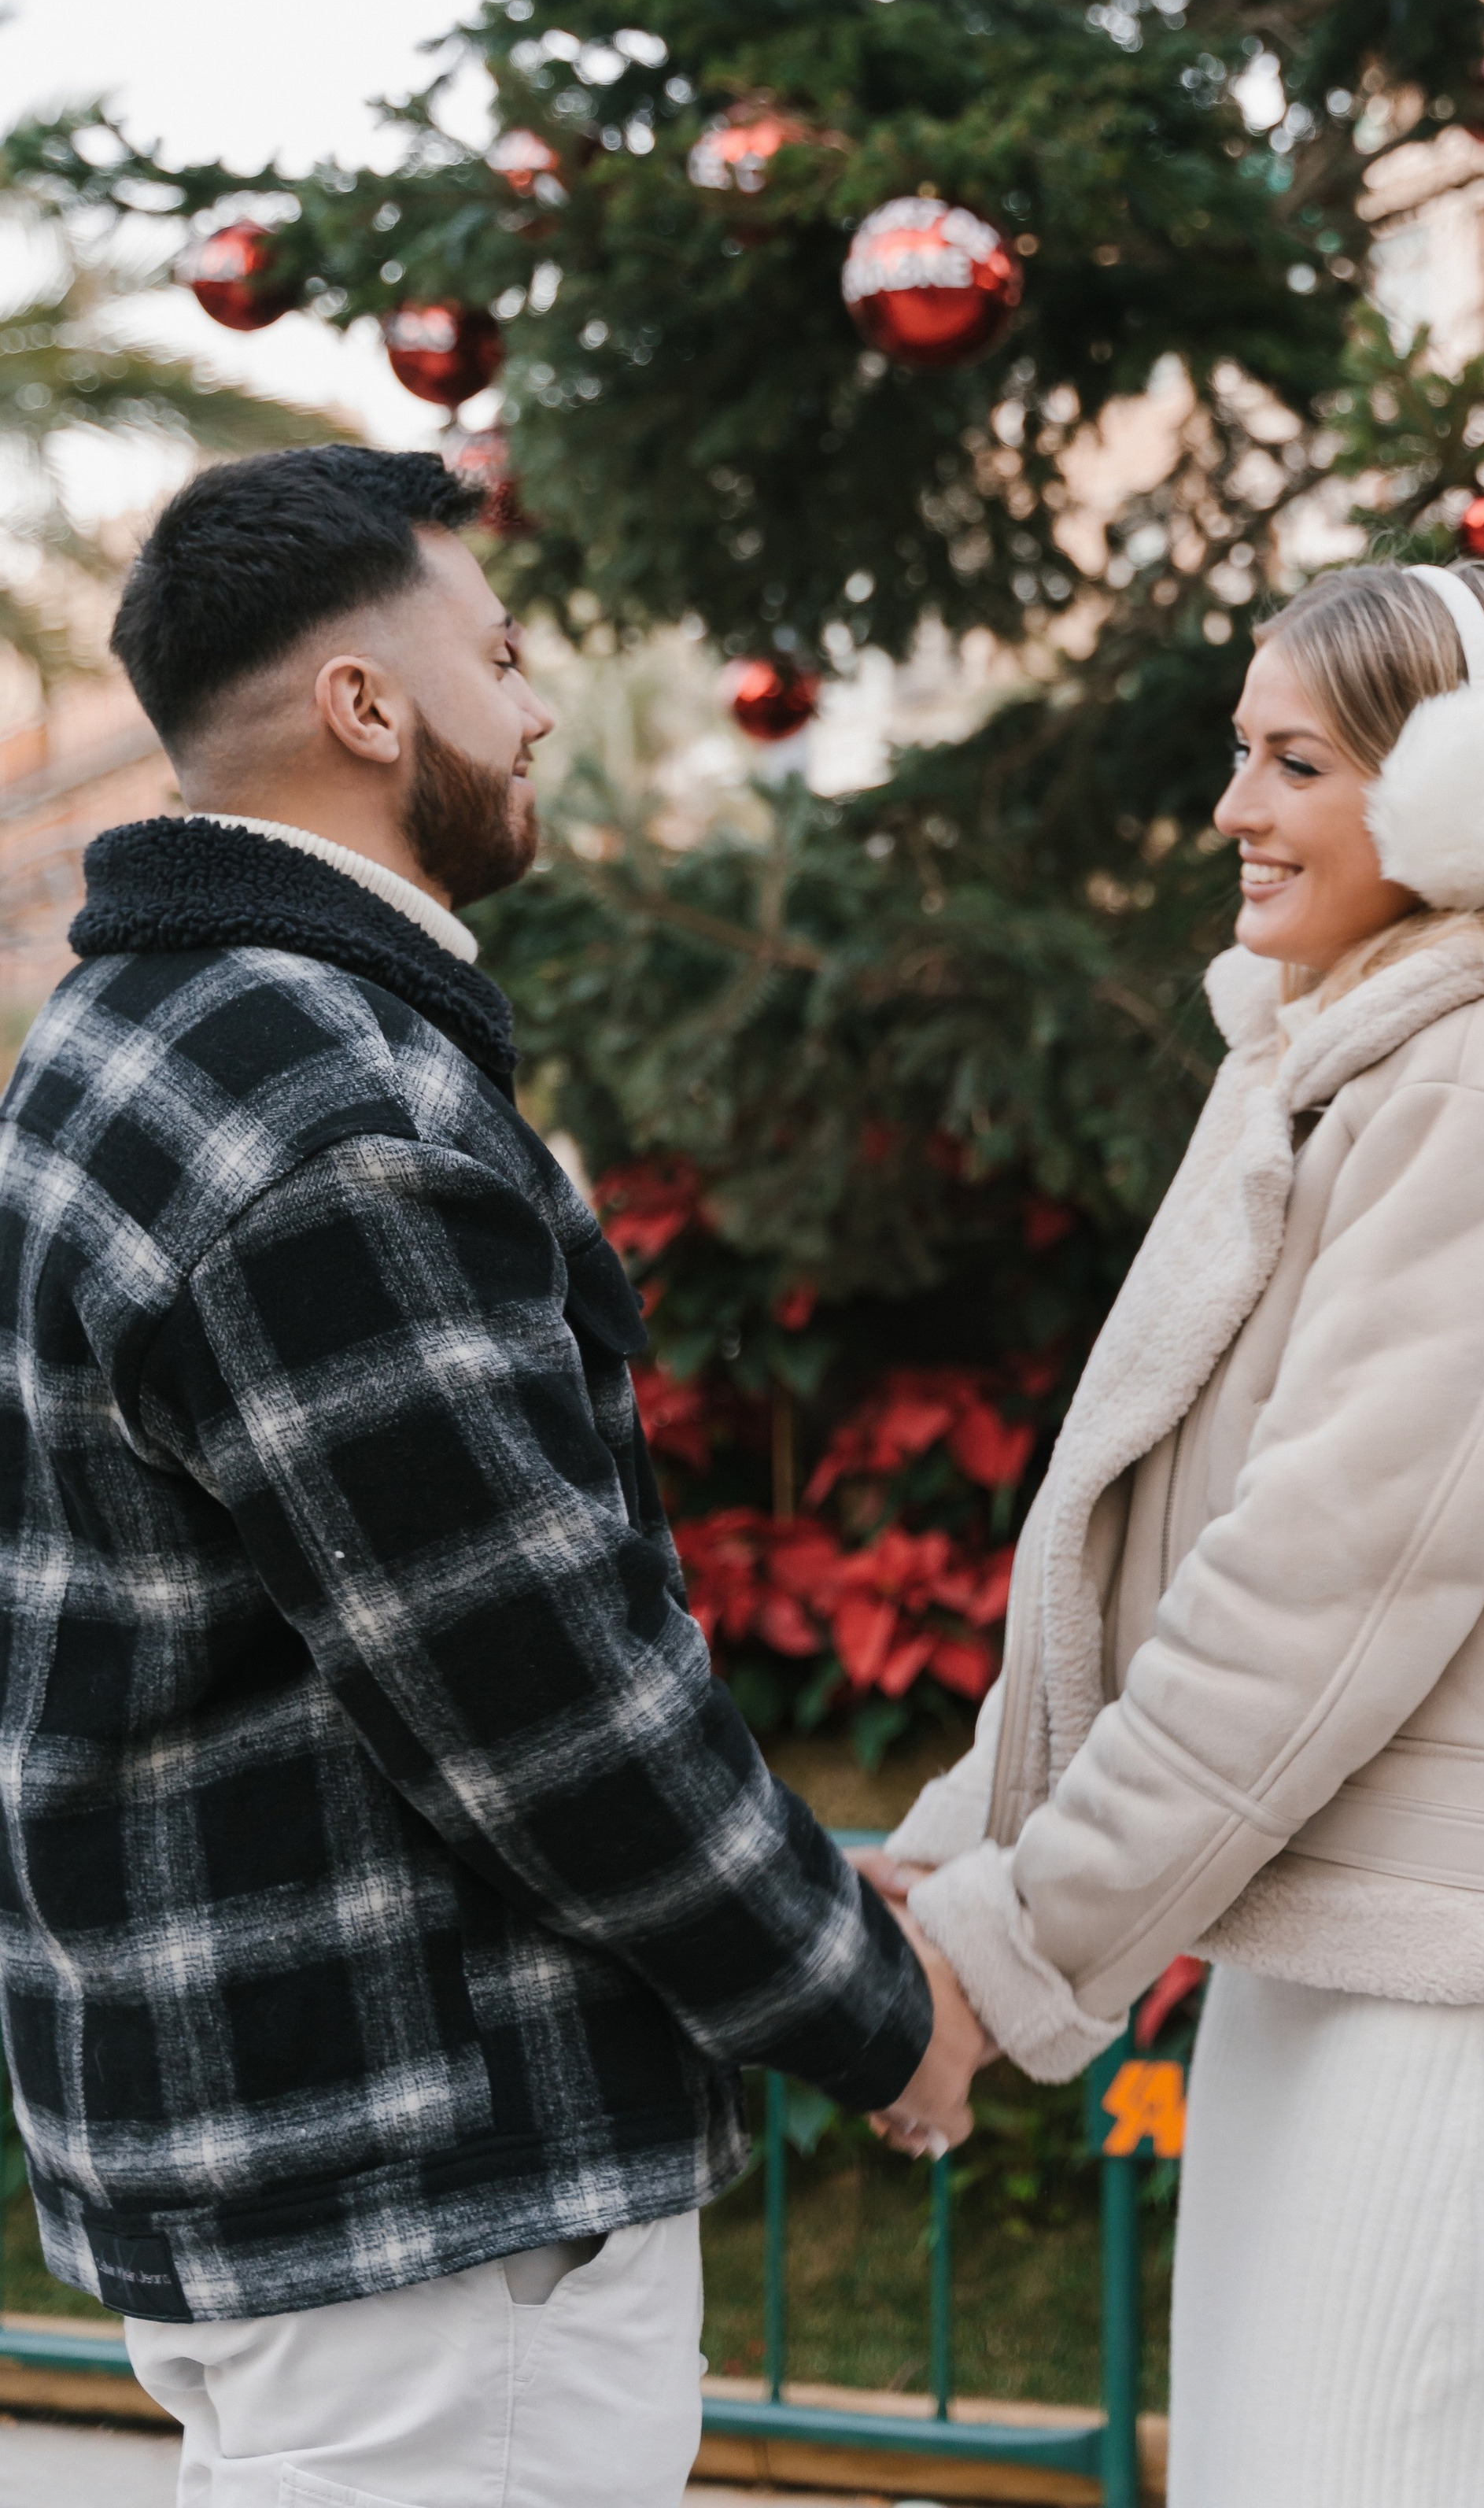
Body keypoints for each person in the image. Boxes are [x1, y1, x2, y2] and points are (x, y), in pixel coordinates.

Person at [0, 445, 986, 2508]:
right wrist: (874, 2004)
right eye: (504, 654)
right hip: (433, 2205)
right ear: (368, 708)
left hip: (279, 2162)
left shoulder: (122, 1048)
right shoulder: (325, 1104)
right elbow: (544, 1700)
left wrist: (812, 1883)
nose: (538, 707)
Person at [863, 561, 1484, 2508]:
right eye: (1234, 756)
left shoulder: (1483, 1092)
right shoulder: (1342, 1075)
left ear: (1470, 801)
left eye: (1292, 763)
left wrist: (997, 1963)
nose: (1234, 813)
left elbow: (1302, 1613)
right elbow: (1156, 1564)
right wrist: (952, 1862)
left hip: (1464, 2006)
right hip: (1353, 1973)